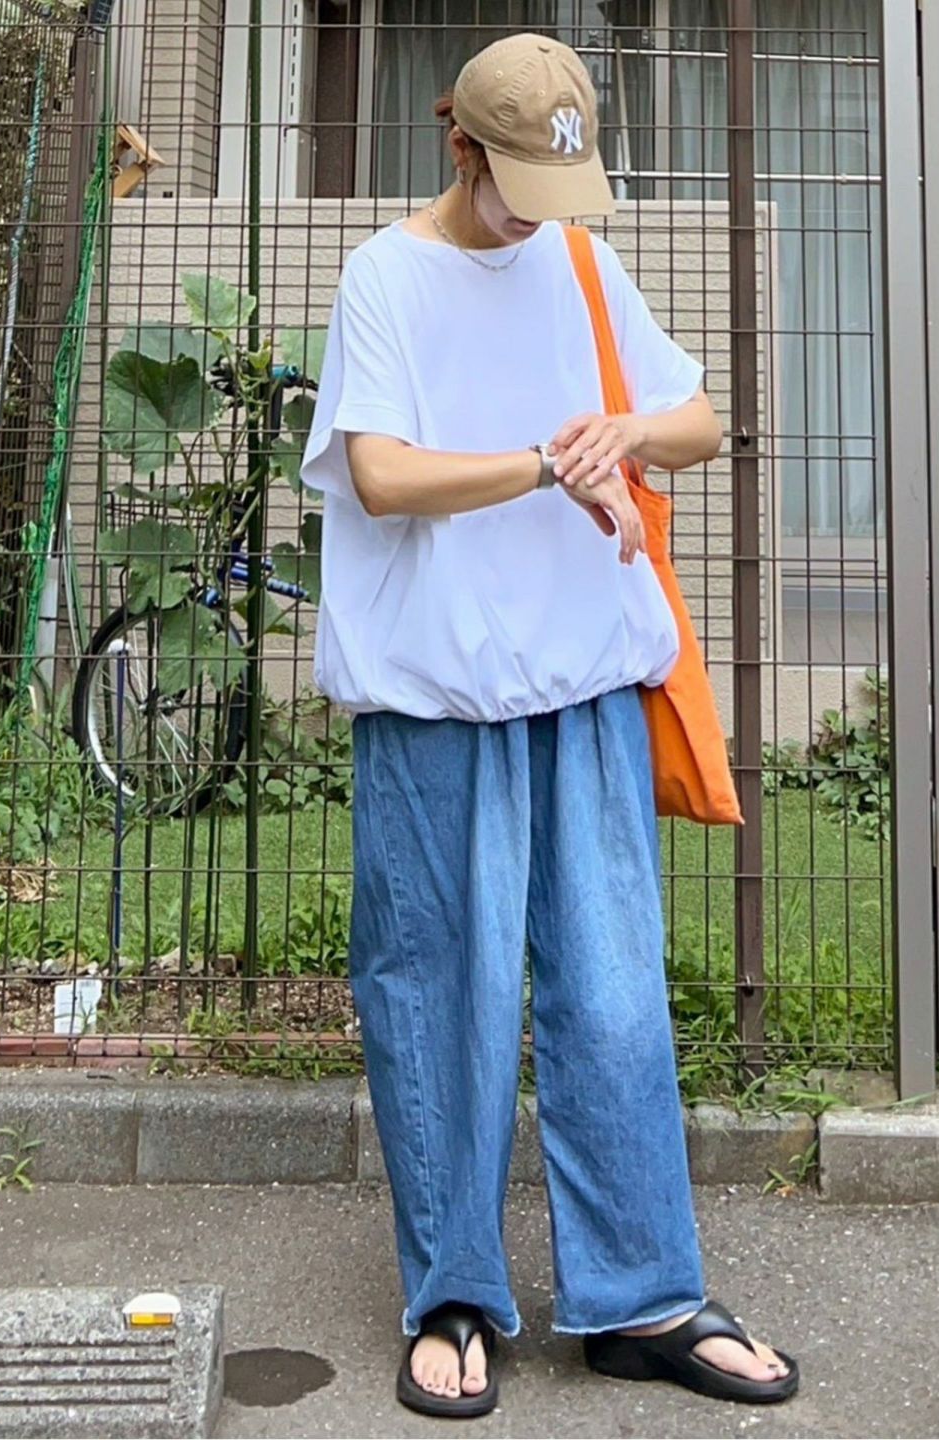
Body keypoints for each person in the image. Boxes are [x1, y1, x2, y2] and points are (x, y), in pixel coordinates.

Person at [299, 31, 798, 1420]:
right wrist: (539, 462)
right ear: (459, 145)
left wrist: (623, 437)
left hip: (585, 686)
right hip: (437, 701)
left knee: (616, 999)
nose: (540, 214)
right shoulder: (385, 279)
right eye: (519, 183)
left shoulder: (580, 259)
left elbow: (698, 418)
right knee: (438, 999)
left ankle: (644, 1301)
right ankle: (453, 1296)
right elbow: (382, 477)